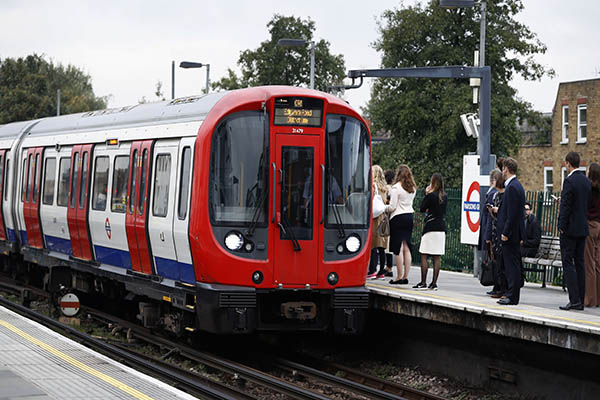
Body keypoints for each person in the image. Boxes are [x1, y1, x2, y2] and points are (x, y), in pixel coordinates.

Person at [558, 152, 591, 311]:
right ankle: (581, 300)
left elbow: (566, 207)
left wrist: (561, 226)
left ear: (568, 164)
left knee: (568, 262)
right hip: (582, 228)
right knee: (580, 263)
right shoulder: (586, 181)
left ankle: (574, 300)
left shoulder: (569, 181)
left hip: (570, 229)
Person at [496, 157, 526, 305]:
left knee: (511, 265)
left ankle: (512, 295)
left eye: (503, 169)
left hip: (511, 234)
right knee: (511, 264)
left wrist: (505, 233)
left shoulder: (513, 187)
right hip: (514, 233)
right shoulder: (516, 185)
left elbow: (512, 214)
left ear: (506, 169)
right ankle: (510, 293)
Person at [413, 173, 448, 290]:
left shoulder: (431, 196)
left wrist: (426, 194)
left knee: (424, 254)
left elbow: (422, 208)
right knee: (436, 257)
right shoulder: (445, 196)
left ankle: (423, 282)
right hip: (441, 228)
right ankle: (434, 283)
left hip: (430, 228)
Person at [387, 165, 417, 285]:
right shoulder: (413, 188)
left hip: (398, 217)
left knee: (398, 248)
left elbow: (392, 206)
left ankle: (398, 276)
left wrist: (385, 208)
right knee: (406, 247)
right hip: (409, 216)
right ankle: (405, 276)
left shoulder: (396, 188)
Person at [487, 170, 507, 298]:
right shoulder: (495, 196)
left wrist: (497, 210)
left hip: (502, 230)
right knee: (497, 260)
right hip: (495, 229)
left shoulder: (505, 195)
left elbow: (506, 212)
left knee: (502, 261)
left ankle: (503, 288)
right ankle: (499, 286)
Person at [368, 165, 390, 279]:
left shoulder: (373, 186)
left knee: (372, 244)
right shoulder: (385, 188)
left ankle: (372, 269)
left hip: (375, 217)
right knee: (381, 246)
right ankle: (381, 271)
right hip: (383, 216)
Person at [584, 162, 600, 307]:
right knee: (597, 263)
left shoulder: (588, 188)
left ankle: (589, 299)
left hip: (589, 224)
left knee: (588, 262)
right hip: (599, 226)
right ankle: (598, 298)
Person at [383, 169, 396, 277]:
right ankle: (389, 266)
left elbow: (387, 201)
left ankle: (388, 267)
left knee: (385, 244)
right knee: (389, 245)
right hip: (394, 218)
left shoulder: (387, 188)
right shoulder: (395, 188)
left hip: (386, 217)